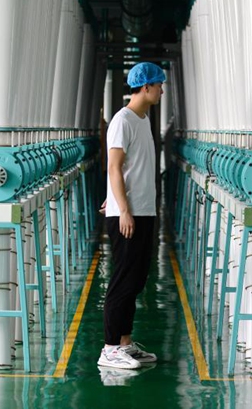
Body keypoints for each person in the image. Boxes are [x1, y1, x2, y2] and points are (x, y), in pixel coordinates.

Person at [97, 62, 165, 370]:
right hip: (129, 214)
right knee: (123, 279)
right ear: (147, 86)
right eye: (159, 85)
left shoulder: (142, 120)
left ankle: (125, 342)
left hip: (142, 210)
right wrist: (121, 209)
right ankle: (110, 348)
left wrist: (114, 199)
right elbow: (113, 166)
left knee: (137, 279)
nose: (162, 90)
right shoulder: (123, 120)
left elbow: (128, 170)